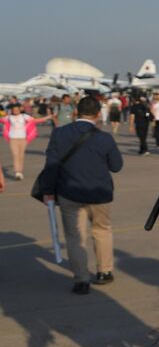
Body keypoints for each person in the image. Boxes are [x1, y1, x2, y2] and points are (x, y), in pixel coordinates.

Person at [43, 95, 123, 294]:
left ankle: (81, 279)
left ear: (76, 112)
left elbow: (51, 165)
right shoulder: (104, 138)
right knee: (102, 231)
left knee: (74, 237)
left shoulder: (60, 134)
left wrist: (47, 191)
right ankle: (104, 271)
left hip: (69, 193)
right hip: (99, 193)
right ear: (98, 115)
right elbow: (116, 166)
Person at [5, 101, 40, 180]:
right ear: (12, 110)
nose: (16, 111)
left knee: (21, 156)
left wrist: (47, 117)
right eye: (14, 110)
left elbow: (35, 120)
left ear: (20, 109)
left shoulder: (24, 116)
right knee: (16, 155)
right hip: (13, 139)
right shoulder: (9, 117)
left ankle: (20, 172)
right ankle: (17, 172)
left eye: (17, 109)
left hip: (23, 139)